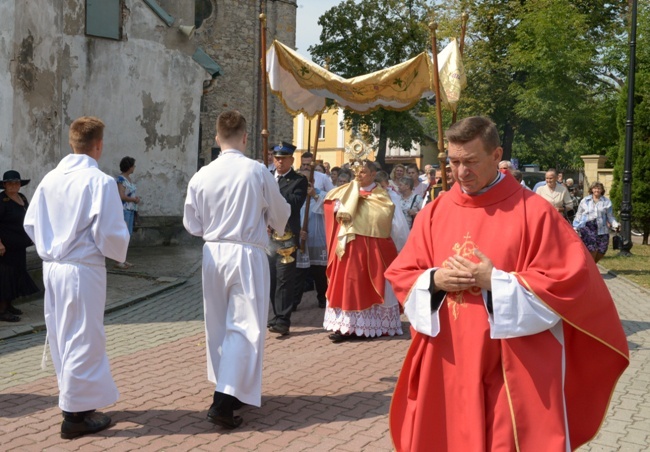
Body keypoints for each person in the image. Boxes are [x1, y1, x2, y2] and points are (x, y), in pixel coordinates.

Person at [385, 116, 629, 451]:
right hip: (449, 357)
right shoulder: (434, 212)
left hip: (509, 361)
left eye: (470, 162)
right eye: (453, 162)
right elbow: (403, 274)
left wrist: (496, 281)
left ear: (496, 154)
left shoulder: (534, 212)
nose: (460, 173)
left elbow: (568, 281)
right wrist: (435, 280)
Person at [24, 116, 131, 439]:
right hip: (82, 268)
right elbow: (109, 232)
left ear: (73, 144)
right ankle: (75, 417)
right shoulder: (98, 181)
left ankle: (77, 403)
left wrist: (51, 245)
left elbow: (30, 224)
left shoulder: (49, 179)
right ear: (98, 145)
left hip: (52, 267)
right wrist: (117, 251)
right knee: (84, 337)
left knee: (61, 334)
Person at [183, 110, 290, 429]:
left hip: (214, 253)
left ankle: (232, 389)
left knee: (218, 324)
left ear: (217, 139)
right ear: (245, 137)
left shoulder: (201, 174)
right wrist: (269, 223)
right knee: (244, 327)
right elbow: (280, 211)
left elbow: (191, 223)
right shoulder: (257, 171)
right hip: (247, 253)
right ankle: (223, 401)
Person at [322, 160, 409, 343]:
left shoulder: (385, 195)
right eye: (356, 172)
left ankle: (378, 325)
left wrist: (402, 249)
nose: (358, 175)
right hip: (347, 249)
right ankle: (345, 326)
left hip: (375, 249)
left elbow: (397, 225)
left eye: (362, 172)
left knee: (373, 285)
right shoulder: (344, 192)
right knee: (348, 286)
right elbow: (329, 209)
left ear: (372, 174)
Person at [266, 142, 308, 336]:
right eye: (276, 158)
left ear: (291, 159)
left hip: (286, 237)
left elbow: (295, 203)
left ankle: (283, 319)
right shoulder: (266, 178)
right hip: (266, 237)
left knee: (285, 278)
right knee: (272, 278)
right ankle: (276, 315)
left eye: (283, 158)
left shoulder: (298, 180)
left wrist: (272, 193)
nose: (279, 161)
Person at [0, 170, 39, 322]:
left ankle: (9, 305)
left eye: (16, 182)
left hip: (19, 246)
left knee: (15, 276)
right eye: (10, 183)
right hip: (5, 248)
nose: (13, 185)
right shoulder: (1, 200)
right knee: (5, 278)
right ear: (4, 185)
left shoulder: (21, 197)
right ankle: (2, 310)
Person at [573, 181, 619, 263]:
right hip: (587, 228)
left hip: (602, 228)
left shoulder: (606, 202)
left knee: (602, 249)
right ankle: (591, 270)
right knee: (592, 249)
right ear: (591, 189)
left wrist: (615, 224)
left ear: (602, 190)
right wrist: (575, 226)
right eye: (595, 188)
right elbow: (579, 214)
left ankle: (591, 266)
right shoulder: (585, 200)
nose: (596, 190)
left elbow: (610, 216)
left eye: (599, 188)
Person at [115, 156, 141, 269]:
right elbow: (121, 196)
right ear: (129, 167)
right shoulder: (121, 179)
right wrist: (133, 200)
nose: (134, 167)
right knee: (123, 235)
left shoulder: (129, 179)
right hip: (124, 210)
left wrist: (136, 199)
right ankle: (118, 260)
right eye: (133, 165)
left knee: (128, 235)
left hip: (131, 209)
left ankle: (123, 259)